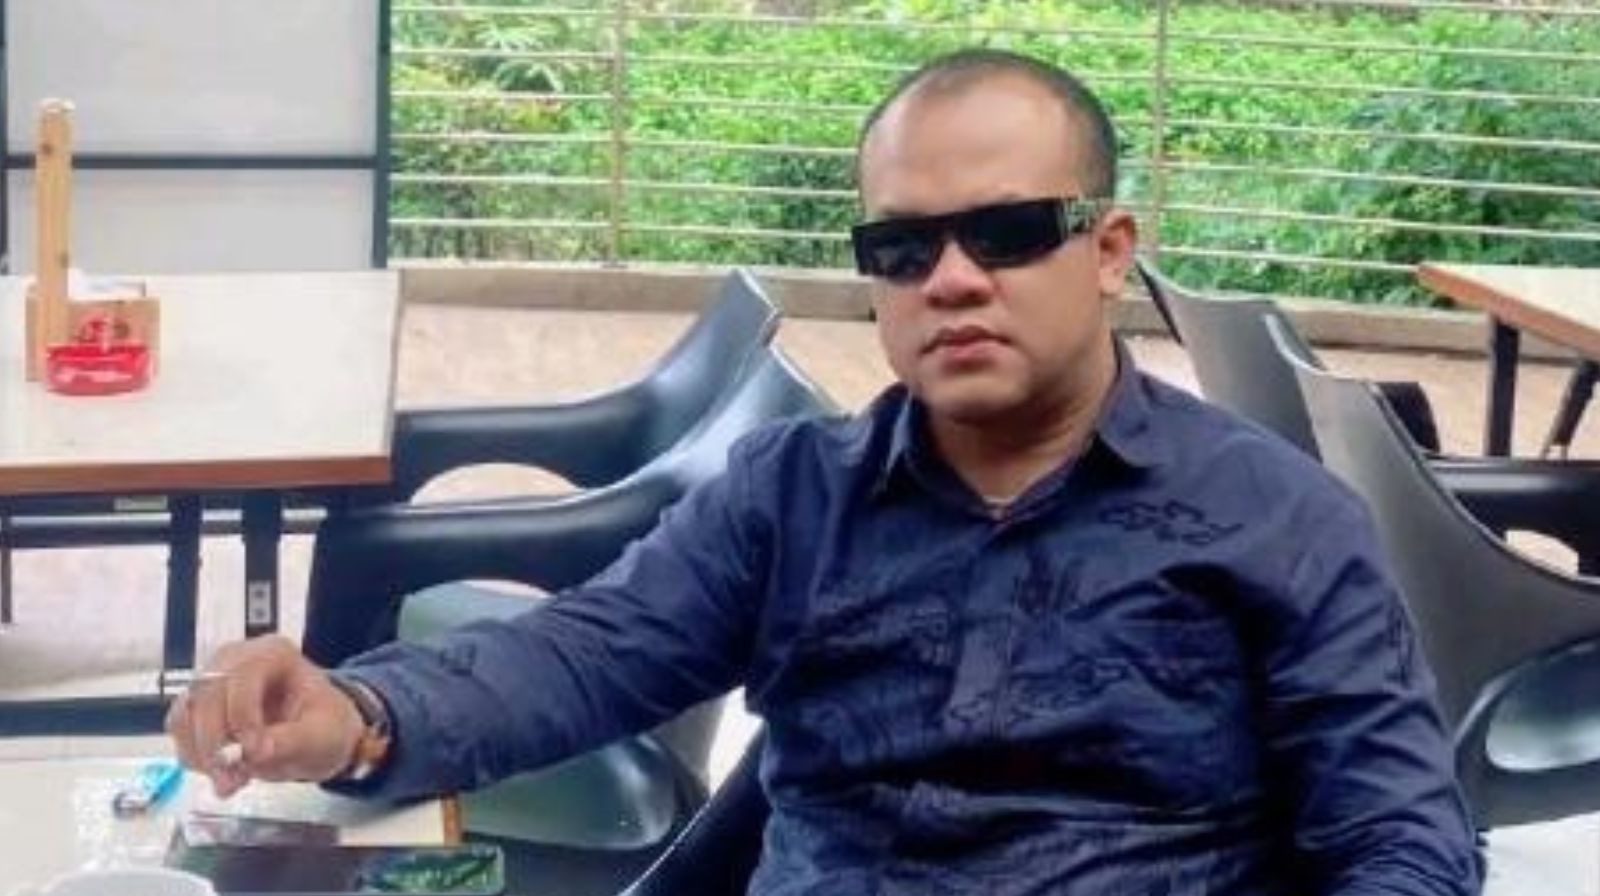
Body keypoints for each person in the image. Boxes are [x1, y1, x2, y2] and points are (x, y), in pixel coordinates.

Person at [169, 49, 1481, 895]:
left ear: (1107, 249)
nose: (953, 279)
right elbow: (579, 657)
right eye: (904, 248)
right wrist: (357, 713)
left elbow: (1399, 836)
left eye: (1008, 232)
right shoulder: (793, 498)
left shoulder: (1276, 521)